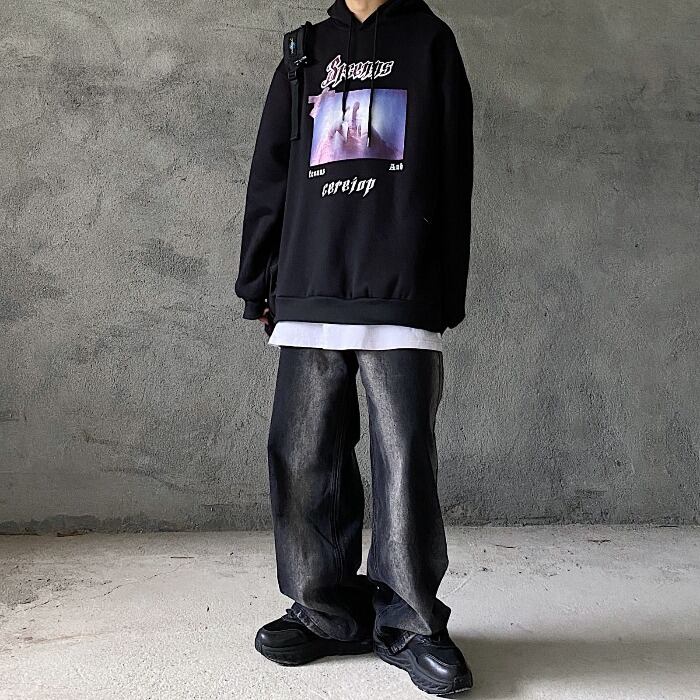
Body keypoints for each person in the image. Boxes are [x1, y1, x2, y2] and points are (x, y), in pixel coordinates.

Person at [235, 0, 474, 693]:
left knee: (405, 460)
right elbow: (271, 172)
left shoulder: (430, 43)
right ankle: (327, 610)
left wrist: (443, 290)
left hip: (399, 291)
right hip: (308, 285)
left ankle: (410, 622)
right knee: (304, 455)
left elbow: (453, 172)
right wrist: (258, 280)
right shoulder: (303, 51)